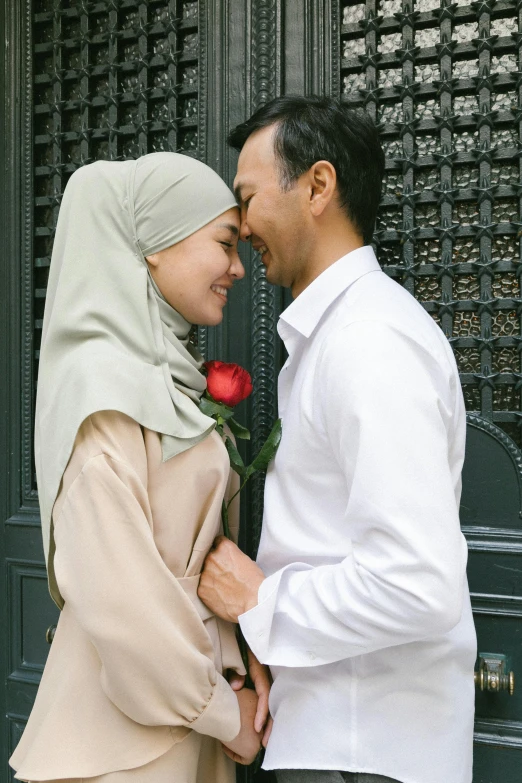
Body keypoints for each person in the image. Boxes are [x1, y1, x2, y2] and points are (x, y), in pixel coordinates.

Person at [198, 96, 477, 783]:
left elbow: (417, 582)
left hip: (362, 750)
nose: (239, 228)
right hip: (341, 740)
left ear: (317, 186)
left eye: (249, 197)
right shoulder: (341, 337)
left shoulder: (368, 341)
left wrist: (261, 603)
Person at [10, 152, 270, 783]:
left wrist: (236, 654)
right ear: (153, 247)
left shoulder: (167, 385)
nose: (238, 267)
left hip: (185, 723)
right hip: (124, 745)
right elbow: (121, 598)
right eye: (225, 242)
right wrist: (221, 712)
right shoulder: (103, 397)